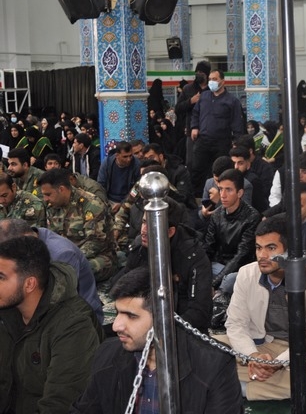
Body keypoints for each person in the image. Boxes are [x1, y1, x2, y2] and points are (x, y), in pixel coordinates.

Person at [72, 267, 243, 413]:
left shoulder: (214, 364)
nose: (116, 325)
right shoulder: (107, 354)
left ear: (163, 317)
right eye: (117, 313)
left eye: (131, 316)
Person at [224, 215, 306, 400]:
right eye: (258, 248)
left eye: (271, 248)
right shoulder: (246, 274)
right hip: (259, 344)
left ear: (289, 251)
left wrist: (280, 362)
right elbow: (236, 324)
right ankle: (266, 381)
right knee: (208, 350)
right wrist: (252, 355)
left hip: (299, 349)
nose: (262, 255)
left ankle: (243, 389)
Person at [0, 236, 101, 413]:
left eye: (1, 277)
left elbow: (60, 404)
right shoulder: (7, 310)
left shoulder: (74, 325)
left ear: (29, 284)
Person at [118, 198, 213, 332]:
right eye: (144, 222)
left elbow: (199, 311)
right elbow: (124, 291)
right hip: (143, 322)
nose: (143, 230)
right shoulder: (139, 246)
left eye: (151, 224)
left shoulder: (193, 256)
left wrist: (161, 331)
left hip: (182, 329)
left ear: (170, 232)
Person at [0, 218, 104, 324]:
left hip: (78, 319)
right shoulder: (33, 238)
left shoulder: (61, 254)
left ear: (24, 238)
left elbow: (57, 299)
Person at [38, 168, 117, 282]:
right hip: (63, 257)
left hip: (97, 257)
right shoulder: (52, 206)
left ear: (61, 189)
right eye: (44, 195)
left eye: (48, 194)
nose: (45, 199)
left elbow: (96, 242)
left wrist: (68, 259)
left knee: (72, 273)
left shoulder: (91, 204)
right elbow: (50, 236)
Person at [205, 168, 261, 294]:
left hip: (240, 269)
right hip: (217, 266)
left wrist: (214, 283)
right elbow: (208, 247)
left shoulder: (252, 217)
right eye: (221, 189)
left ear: (239, 193)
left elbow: (241, 256)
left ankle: (218, 295)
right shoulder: (217, 214)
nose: (223, 195)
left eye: (228, 190)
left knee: (230, 280)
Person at [190, 68, 244, 193]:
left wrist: (236, 143)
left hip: (221, 142)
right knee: (197, 168)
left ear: (222, 81)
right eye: (210, 79)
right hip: (203, 140)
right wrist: (194, 127)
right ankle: (197, 197)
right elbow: (195, 113)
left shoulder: (232, 101)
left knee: (219, 170)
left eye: (214, 79)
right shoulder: (204, 96)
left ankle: (218, 195)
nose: (211, 82)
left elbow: (237, 123)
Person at [176, 60, 210, 167]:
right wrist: (191, 101)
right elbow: (178, 108)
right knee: (191, 162)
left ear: (207, 75)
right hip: (192, 132)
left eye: (202, 72)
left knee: (207, 161)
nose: (198, 74)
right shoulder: (188, 89)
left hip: (209, 131)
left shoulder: (212, 89)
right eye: (197, 72)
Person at [96, 140, 141, 214]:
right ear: (117, 155)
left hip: (129, 200)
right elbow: (101, 185)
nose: (129, 159)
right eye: (125, 157)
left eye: (130, 156)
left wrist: (123, 203)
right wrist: (105, 203)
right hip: (109, 200)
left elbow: (137, 188)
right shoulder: (107, 163)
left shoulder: (136, 164)